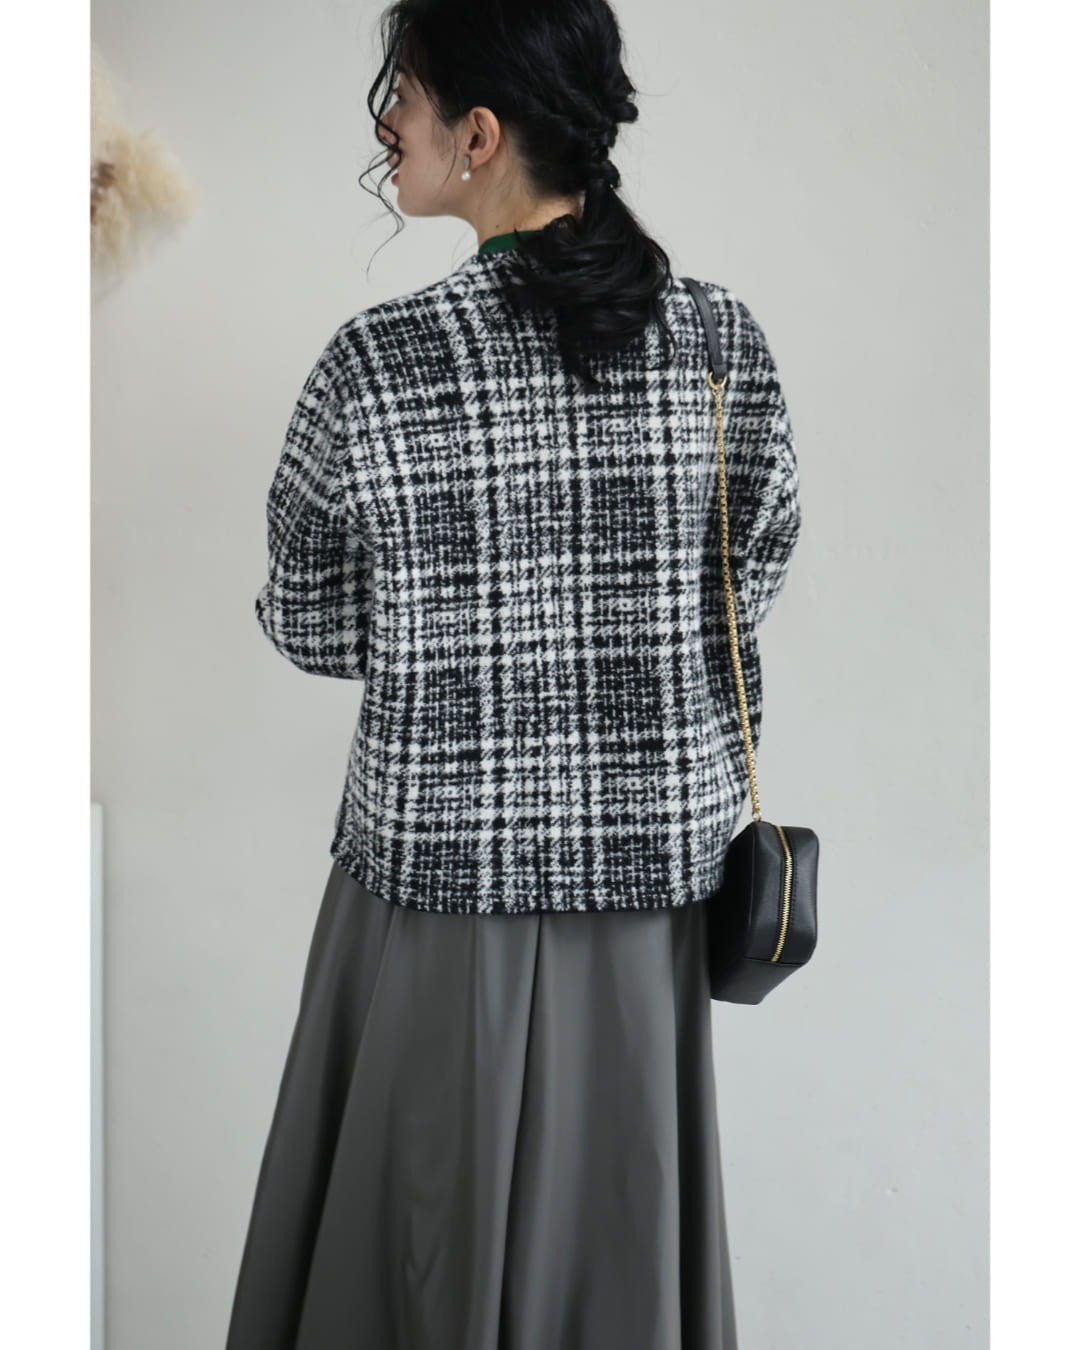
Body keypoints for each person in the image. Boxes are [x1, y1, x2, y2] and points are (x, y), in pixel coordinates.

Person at [224, 2, 802, 1347]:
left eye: (408, 95)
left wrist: (452, 638)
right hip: (649, 901)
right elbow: (746, 582)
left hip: (433, 892)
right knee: (619, 1250)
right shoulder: (723, 346)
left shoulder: (376, 366)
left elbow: (305, 620)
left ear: (478, 135)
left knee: (408, 1254)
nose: (390, 123)